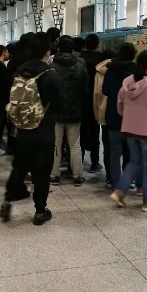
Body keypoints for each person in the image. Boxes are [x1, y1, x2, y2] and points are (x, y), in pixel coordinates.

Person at [0, 32, 66, 225]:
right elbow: (62, 104)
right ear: (47, 52)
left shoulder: (19, 72)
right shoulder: (51, 75)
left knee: (19, 167)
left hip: (20, 130)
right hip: (44, 131)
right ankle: (40, 212)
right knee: (41, 173)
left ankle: (7, 201)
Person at [110, 51, 147, 212]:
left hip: (129, 129)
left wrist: (128, 118)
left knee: (134, 161)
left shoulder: (126, 82)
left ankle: (120, 192)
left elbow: (120, 106)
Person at [102, 42, 142, 191]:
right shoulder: (137, 72)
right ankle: (128, 180)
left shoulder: (111, 70)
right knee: (130, 151)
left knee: (115, 151)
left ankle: (115, 183)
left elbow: (105, 90)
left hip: (114, 114)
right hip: (132, 116)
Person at [50, 37, 88, 187]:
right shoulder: (81, 64)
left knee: (55, 144)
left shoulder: (51, 64)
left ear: (59, 48)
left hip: (55, 110)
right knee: (75, 144)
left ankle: (54, 175)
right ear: (72, 48)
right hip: (75, 110)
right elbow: (85, 89)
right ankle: (77, 176)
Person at [80, 34, 104, 173]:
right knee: (95, 131)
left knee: (81, 131)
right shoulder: (101, 59)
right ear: (98, 44)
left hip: (82, 99)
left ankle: (80, 160)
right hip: (96, 99)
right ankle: (95, 163)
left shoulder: (80, 58)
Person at [94, 49, 117, 186]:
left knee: (107, 147)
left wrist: (97, 115)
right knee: (121, 147)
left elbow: (96, 94)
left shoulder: (99, 72)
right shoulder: (120, 71)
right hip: (119, 113)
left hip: (104, 114)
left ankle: (110, 177)